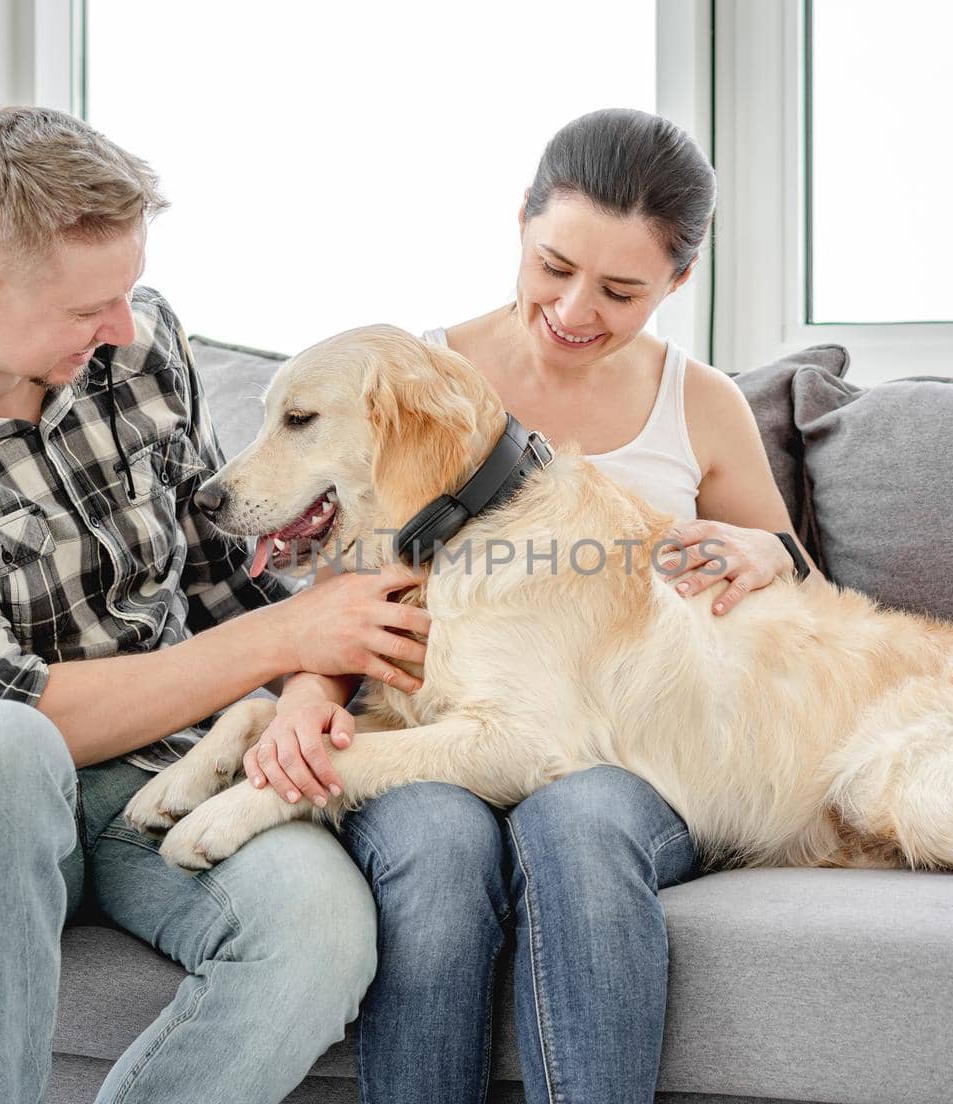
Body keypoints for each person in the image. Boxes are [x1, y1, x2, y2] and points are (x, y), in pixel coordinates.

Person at [0, 105, 431, 1104]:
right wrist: (281, 633)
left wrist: (302, 680)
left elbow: (219, 579)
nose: (124, 326)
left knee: (321, 928)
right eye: (90, 309)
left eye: (127, 291)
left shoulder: (140, 340)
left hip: (147, 767)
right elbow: (10, 711)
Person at [260, 108, 819, 1103]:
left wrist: (763, 551)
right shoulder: (413, 380)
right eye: (553, 264)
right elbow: (338, 589)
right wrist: (306, 696)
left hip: (627, 749)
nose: (571, 308)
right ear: (519, 223)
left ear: (677, 282)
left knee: (578, 823)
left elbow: (801, 594)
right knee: (434, 843)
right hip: (433, 726)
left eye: (620, 290)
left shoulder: (701, 405)